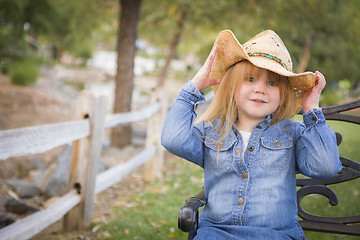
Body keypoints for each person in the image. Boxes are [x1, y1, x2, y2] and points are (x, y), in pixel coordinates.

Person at [161, 30, 342, 240]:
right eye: (250, 79)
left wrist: (311, 110)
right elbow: (172, 138)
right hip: (217, 234)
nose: (260, 89)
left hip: (275, 235)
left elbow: (326, 166)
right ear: (232, 87)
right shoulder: (213, 131)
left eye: (271, 83)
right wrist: (194, 87)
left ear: (282, 94)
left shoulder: (293, 134)